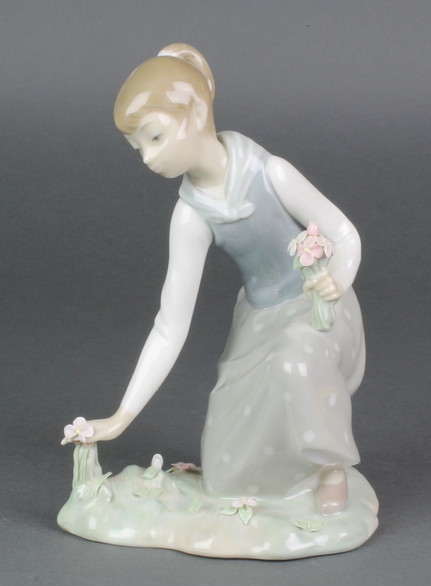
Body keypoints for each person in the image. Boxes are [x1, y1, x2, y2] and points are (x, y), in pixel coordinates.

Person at [63, 44, 366, 515]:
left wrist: (338, 281)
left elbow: (344, 234)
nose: (147, 158)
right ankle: (282, 481)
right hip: (259, 320)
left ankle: (331, 468)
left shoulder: (270, 172)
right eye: (138, 147)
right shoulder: (191, 215)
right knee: (226, 471)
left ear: (197, 114)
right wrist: (122, 416)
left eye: (155, 137)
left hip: (317, 308)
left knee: (295, 360)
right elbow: (170, 325)